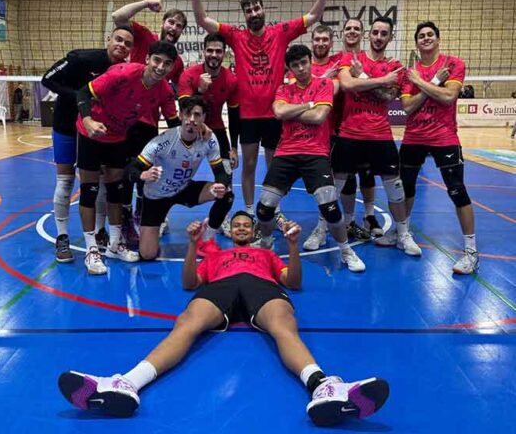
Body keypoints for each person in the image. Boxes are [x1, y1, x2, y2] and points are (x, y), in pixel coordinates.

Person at [57, 212, 390, 426]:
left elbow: (293, 282)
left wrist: (291, 246)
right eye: (237, 225)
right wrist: (192, 246)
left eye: (247, 225)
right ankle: (127, 384)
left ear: (254, 231)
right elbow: (190, 283)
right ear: (230, 231)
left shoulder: (266, 254)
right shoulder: (215, 255)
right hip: (221, 286)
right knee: (187, 323)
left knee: (283, 326)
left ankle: (323, 387)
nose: (242, 228)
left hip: (261, 285)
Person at [187, 0, 333, 229]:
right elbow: (201, 20)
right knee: (250, 165)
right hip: (248, 116)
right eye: (248, 10)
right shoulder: (236, 36)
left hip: (275, 113)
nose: (253, 13)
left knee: (275, 168)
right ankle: (250, 211)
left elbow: (313, 17)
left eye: (256, 8)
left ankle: (273, 210)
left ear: (263, 9)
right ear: (245, 15)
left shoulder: (280, 33)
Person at [256, 44, 366, 272]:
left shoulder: (324, 84)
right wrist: (308, 103)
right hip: (286, 152)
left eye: (304, 63)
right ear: (290, 68)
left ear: (310, 62)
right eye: (295, 65)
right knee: (264, 208)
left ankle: (346, 250)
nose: (301, 68)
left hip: (315, 153)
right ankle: (266, 244)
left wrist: (292, 110)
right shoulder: (283, 89)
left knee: (330, 208)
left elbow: (319, 117)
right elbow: (279, 112)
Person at [75, 41, 178, 275]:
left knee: (117, 190)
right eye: (157, 60)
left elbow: (174, 123)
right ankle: (91, 249)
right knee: (89, 190)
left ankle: (115, 244)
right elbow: (83, 92)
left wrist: (197, 132)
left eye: (167, 64)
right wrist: (89, 121)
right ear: (147, 59)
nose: (160, 67)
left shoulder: (164, 90)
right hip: (91, 132)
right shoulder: (123, 73)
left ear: (172, 67)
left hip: (118, 137)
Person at [41, 26, 134, 262]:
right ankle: (62, 237)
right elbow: (47, 79)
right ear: (109, 40)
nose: (122, 45)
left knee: (99, 183)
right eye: (118, 39)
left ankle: (100, 231)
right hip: (67, 125)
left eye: (127, 43)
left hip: (96, 130)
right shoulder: (82, 59)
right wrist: (81, 97)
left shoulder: (124, 70)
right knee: (65, 181)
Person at [335, 16, 421, 256]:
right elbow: (347, 85)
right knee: (337, 183)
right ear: (368, 35)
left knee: (394, 185)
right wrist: (380, 80)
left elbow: (387, 97)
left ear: (390, 38)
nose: (379, 37)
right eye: (375, 32)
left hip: (380, 133)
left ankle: (403, 234)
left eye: (384, 33)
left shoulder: (396, 66)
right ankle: (325, 227)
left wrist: (362, 78)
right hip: (350, 131)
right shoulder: (351, 59)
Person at [400, 21, 478, 274]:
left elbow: (448, 97)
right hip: (414, 137)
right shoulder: (410, 73)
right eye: (421, 36)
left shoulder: (453, 64)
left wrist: (421, 83)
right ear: (416, 43)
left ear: (438, 39)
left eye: (430, 34)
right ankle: (402, 233)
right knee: (405, 188)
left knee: (457, 191)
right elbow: (407, 107)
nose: (426, 38)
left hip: (444, 136)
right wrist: (434, 81)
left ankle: (471, 252)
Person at [112, 0, 188, 240]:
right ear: (163, 23)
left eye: (179, 25)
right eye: (171, 22)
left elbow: (176, 96)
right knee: (123, 173)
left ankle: (141, 215)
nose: (174, 27)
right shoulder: (145, 37)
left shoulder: (177, 62)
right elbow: (118, 17)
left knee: (145, 174)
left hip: (149, 124)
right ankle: (123, 218)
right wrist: (146, 3)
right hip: (124, 119)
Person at [124, 96, 234, 261]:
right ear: (181, 115)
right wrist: (142, 175)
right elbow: (130, 169)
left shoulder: (208, 139)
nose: (192, 120)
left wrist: (221, 185)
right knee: (147, 254)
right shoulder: (163, 141)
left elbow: (220, 171)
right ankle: (154, 226)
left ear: (203, 118)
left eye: (197, 115)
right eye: (188, 114)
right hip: (156, 196)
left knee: (227, 194)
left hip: (183, 188)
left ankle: (206, 238)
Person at [303, 20, 380, 252]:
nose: (320, 43)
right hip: (314, 135)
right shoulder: (309, 65)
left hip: (344, 131)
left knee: (349, 179)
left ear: (331, 42)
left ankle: (347, 222)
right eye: (317, 39)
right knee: (325, 184)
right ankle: (323, 226)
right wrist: (324, 80)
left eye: (325, 39)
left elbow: (344, 87)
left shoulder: (344, 62)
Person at [178, 33, 240, 236]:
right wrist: (200, 90)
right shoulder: (189, 75)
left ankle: (222, 217)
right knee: (172, 174)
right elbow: (185, 110)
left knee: (226, 177)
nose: (214, 54)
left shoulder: (230, 79)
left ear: (224, 53)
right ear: (203, 51)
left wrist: (233, 147)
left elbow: (234, 115)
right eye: (210, 50)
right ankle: (161, 218)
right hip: (189, 130)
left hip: (217, 131)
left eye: (218, 51)